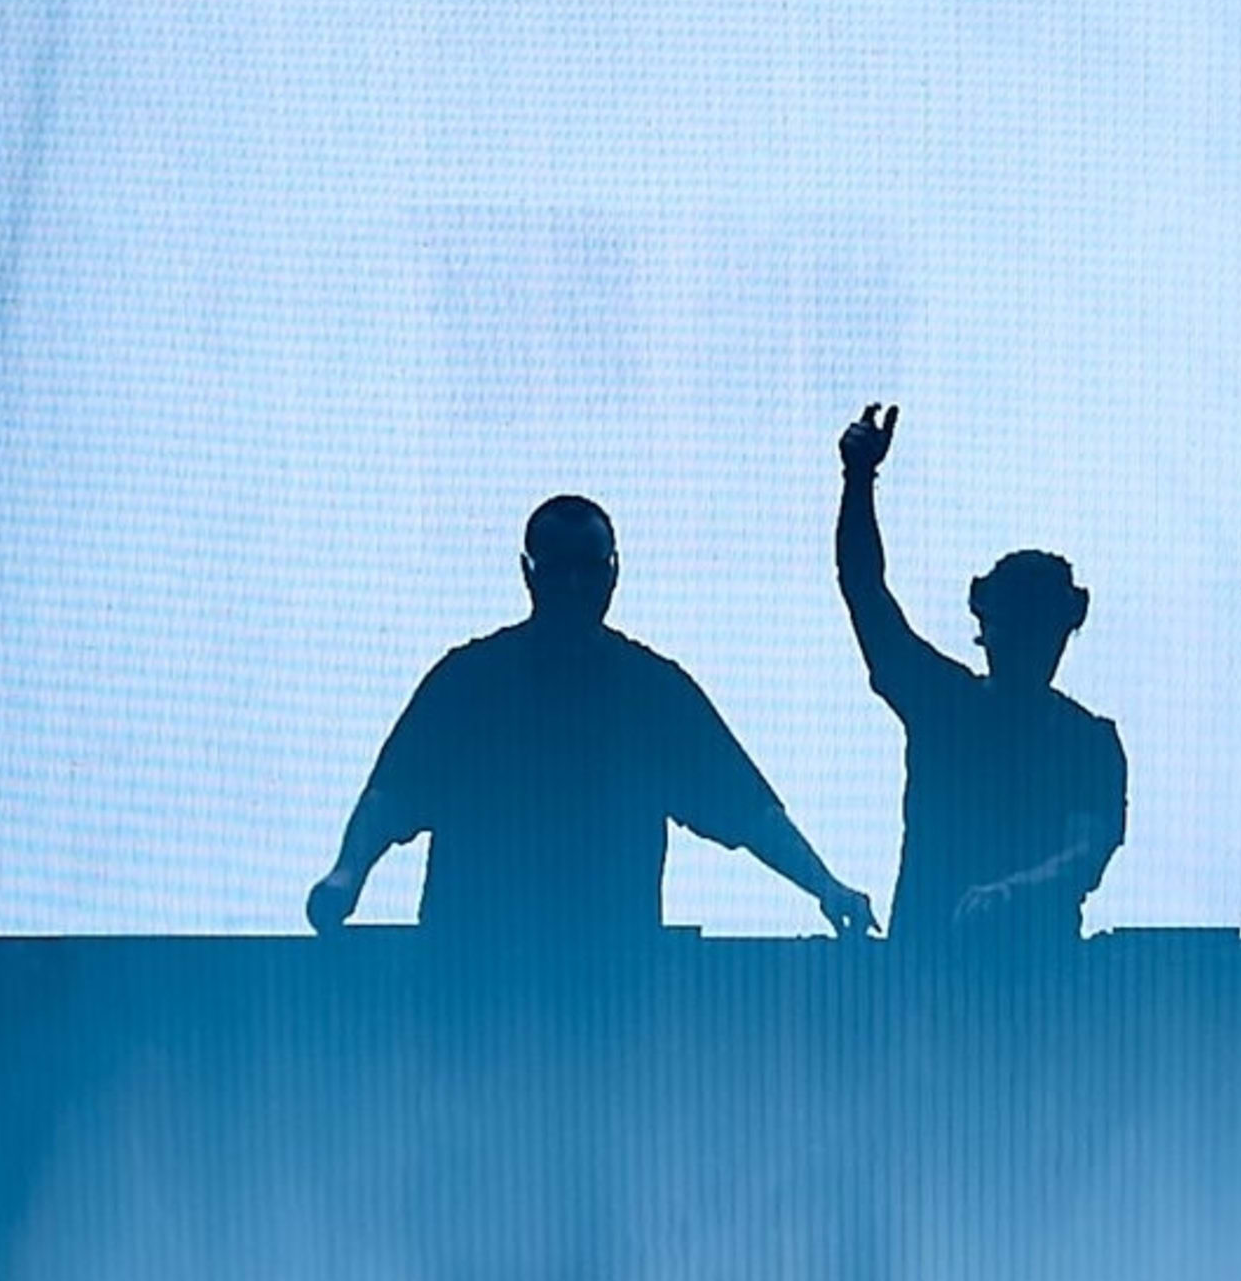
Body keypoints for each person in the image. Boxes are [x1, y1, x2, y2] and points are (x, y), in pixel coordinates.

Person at [308, 499, 874, 948]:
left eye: (588, 569)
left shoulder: (652, 692)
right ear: (529, 573)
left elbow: (749, 811)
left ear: (613, 572)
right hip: (485, 980)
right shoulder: (468, 682)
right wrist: (347, 874)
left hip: (595, 989)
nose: (575, 587)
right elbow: (392, 794)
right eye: (560, 570)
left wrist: (824, 885)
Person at [832, 406, 1126, 947]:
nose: (1029, 645)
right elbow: (865, 593)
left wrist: (1013, 892)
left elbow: (1087, 852)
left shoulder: (1086, 741)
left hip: (1022, 990)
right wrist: (857, 481)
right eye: (1019, 627)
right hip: (948, 986)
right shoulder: (945, 703)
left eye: (1038, 630)